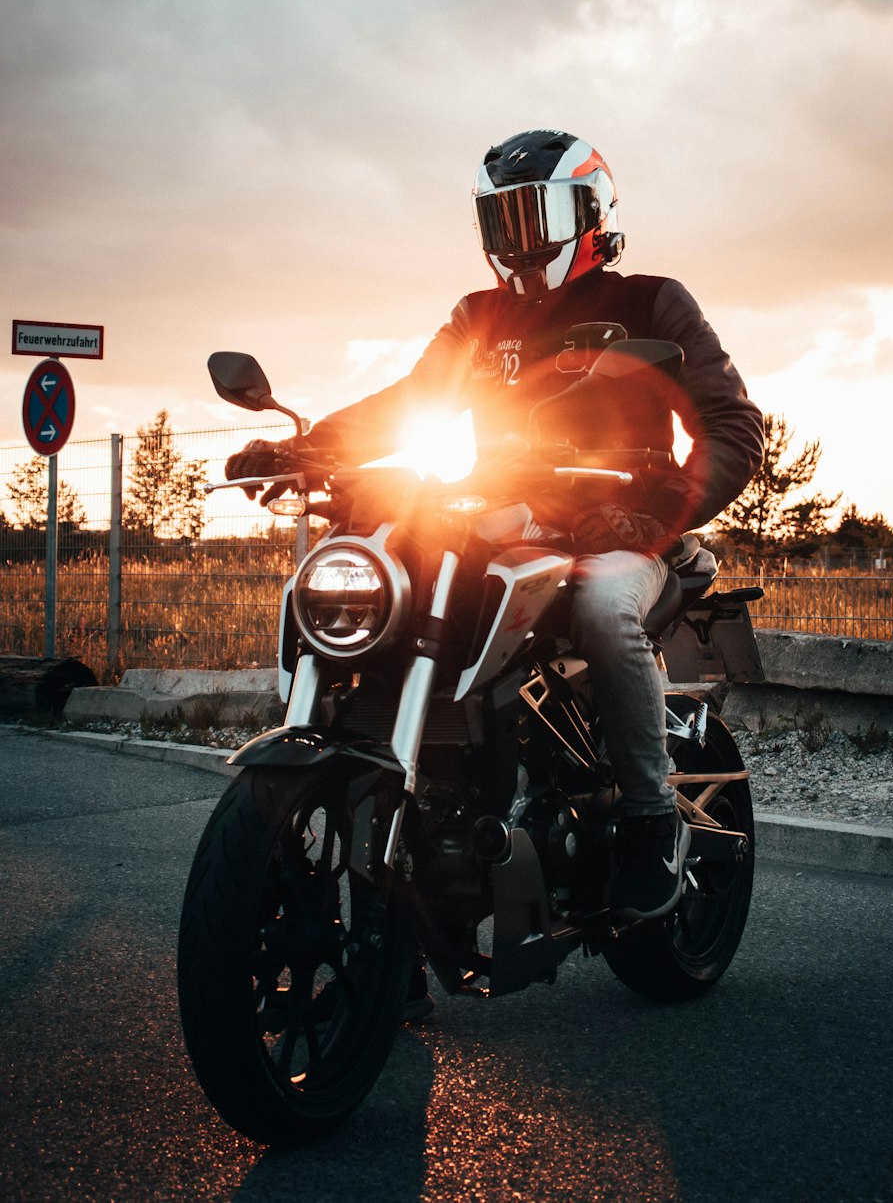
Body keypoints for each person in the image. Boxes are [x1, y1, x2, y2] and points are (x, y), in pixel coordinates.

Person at [226, 128, 764, 924]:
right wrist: (305, 448)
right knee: (395, 599)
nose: (519, 241)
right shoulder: (478, 317)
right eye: (503, 220)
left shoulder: (651, 301)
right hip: (508, 527)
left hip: (625, 535)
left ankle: (650, 819)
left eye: (535, 214)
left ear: (589, 214)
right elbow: (413, 400)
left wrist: (656, 515)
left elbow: (732, 426)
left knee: (606, 609)